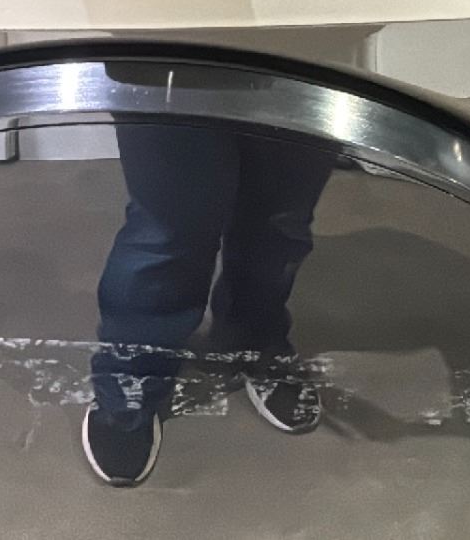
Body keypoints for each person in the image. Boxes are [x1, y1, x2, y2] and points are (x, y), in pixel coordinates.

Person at [81, 123, 334, 486]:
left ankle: (254, 339)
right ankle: (131, 380)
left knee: (280, 221)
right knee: (167, 227)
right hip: (174, 87)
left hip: (305, 86)